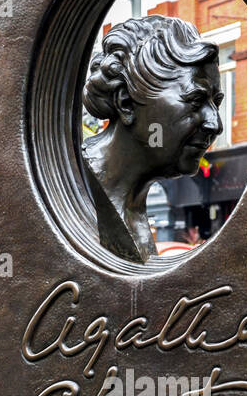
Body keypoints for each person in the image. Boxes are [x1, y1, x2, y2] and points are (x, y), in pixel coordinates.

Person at [82, 16, 223, 264]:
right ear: (125, 101)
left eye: (216, 103)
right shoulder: (74, 186)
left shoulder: (133, 208)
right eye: (196, 101)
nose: (215, 124)